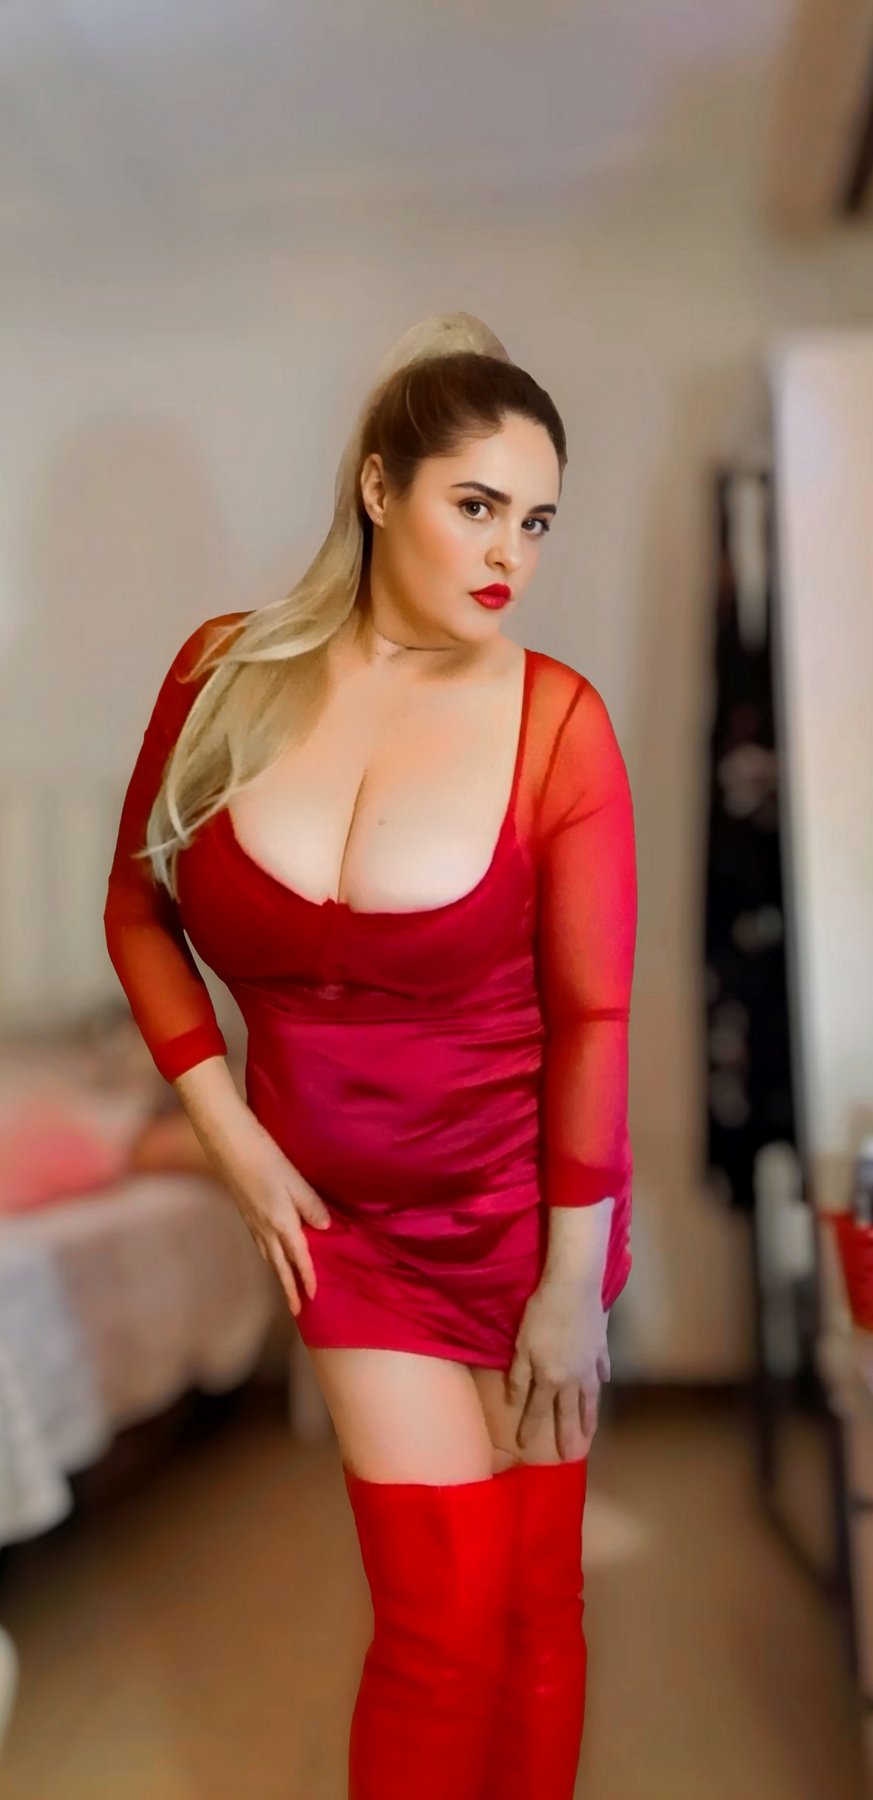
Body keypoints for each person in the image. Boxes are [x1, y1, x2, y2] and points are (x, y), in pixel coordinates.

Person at [103, 311, 637, 1800]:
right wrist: (228, 1134)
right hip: (348, 1238)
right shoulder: (221, 673)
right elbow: (136, 908)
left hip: (525, 1220)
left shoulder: (556, 725)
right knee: (434, 1624)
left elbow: (595, 1022)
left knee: (532, 1606)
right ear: (379, 485)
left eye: (537, 521)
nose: (510, 555)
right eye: (477, 505)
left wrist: (567, 1291)